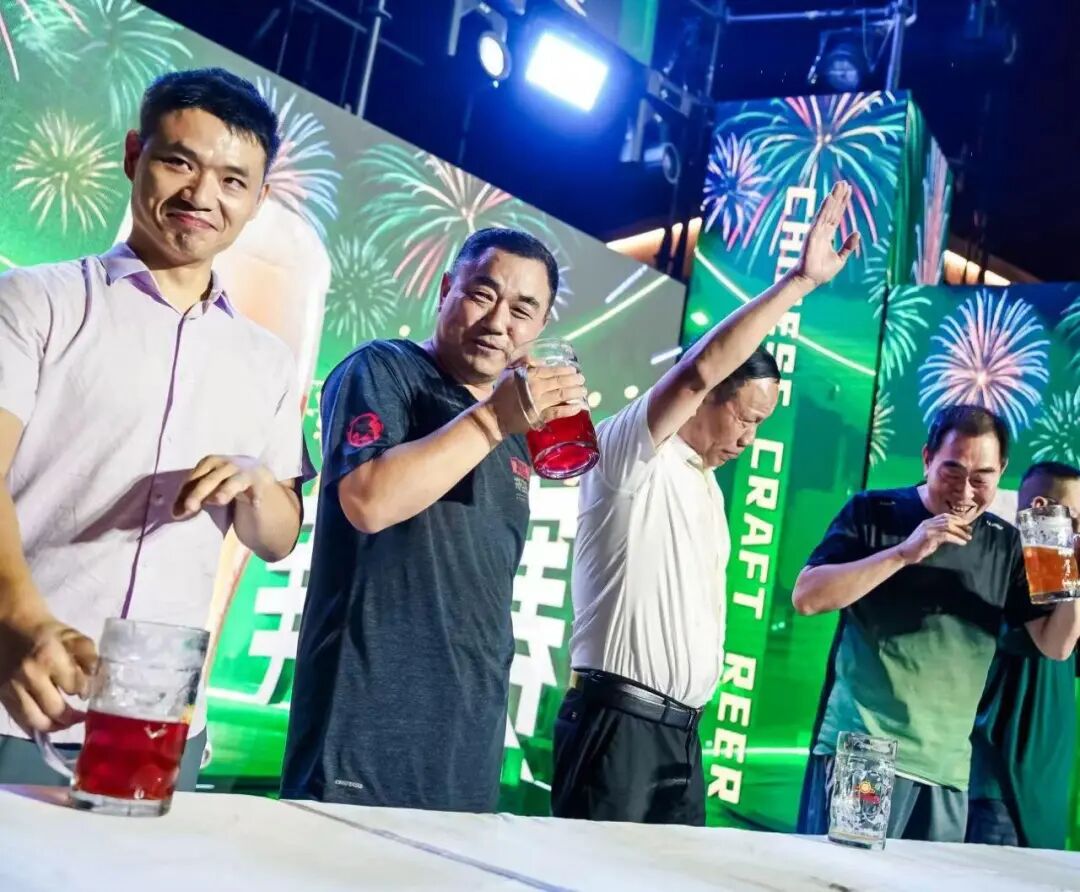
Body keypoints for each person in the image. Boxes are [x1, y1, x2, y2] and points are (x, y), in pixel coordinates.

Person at [0, 68, 312, 788]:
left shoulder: (268, 360)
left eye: (233, 181)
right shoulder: (36, 302)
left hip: (157, 724)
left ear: (259, 200)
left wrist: (256, 483)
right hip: (18, 694)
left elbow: (278, 538)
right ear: (133, 154)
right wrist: (17, 618)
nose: (203, 195)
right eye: (179, 162)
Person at [550, 182, 861, 825]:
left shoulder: (708, 487)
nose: (749, 439)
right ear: (709, 397)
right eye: (745, 418)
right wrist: (799, 284)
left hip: (682, 737)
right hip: (617, 725)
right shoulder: (632, 451)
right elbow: (695, 371)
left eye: (761, 426)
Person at [280, 227, 588, 812]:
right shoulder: (384, 369)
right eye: (482, 294)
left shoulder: (516, 422)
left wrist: (505, 418)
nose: (498, 322)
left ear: (541, 327)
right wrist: (493, 420)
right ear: (447, 290)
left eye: (523, 310)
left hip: (467, 735)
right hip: (362, 728)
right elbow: (367, 502)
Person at [793, 407, 1080, 843]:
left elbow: (1055, 645)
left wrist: (1072, 571)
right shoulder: (875, 510)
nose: (965, 491)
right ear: (927, 458)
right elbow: (807, 597)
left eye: (981, 477)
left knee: (930, 878)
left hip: (946, 771)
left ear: (1001, 471)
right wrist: (903, 553)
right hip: (865, 754)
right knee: (845, 873)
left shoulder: (1007, 544)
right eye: (952, 472)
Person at [967, 461, 1080, 848]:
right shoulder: (1018, 558)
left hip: (1045, 786)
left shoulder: (1061, 565)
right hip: (1003, 786)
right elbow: (1058, 645)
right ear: (1042, 508)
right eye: (1075, 517)